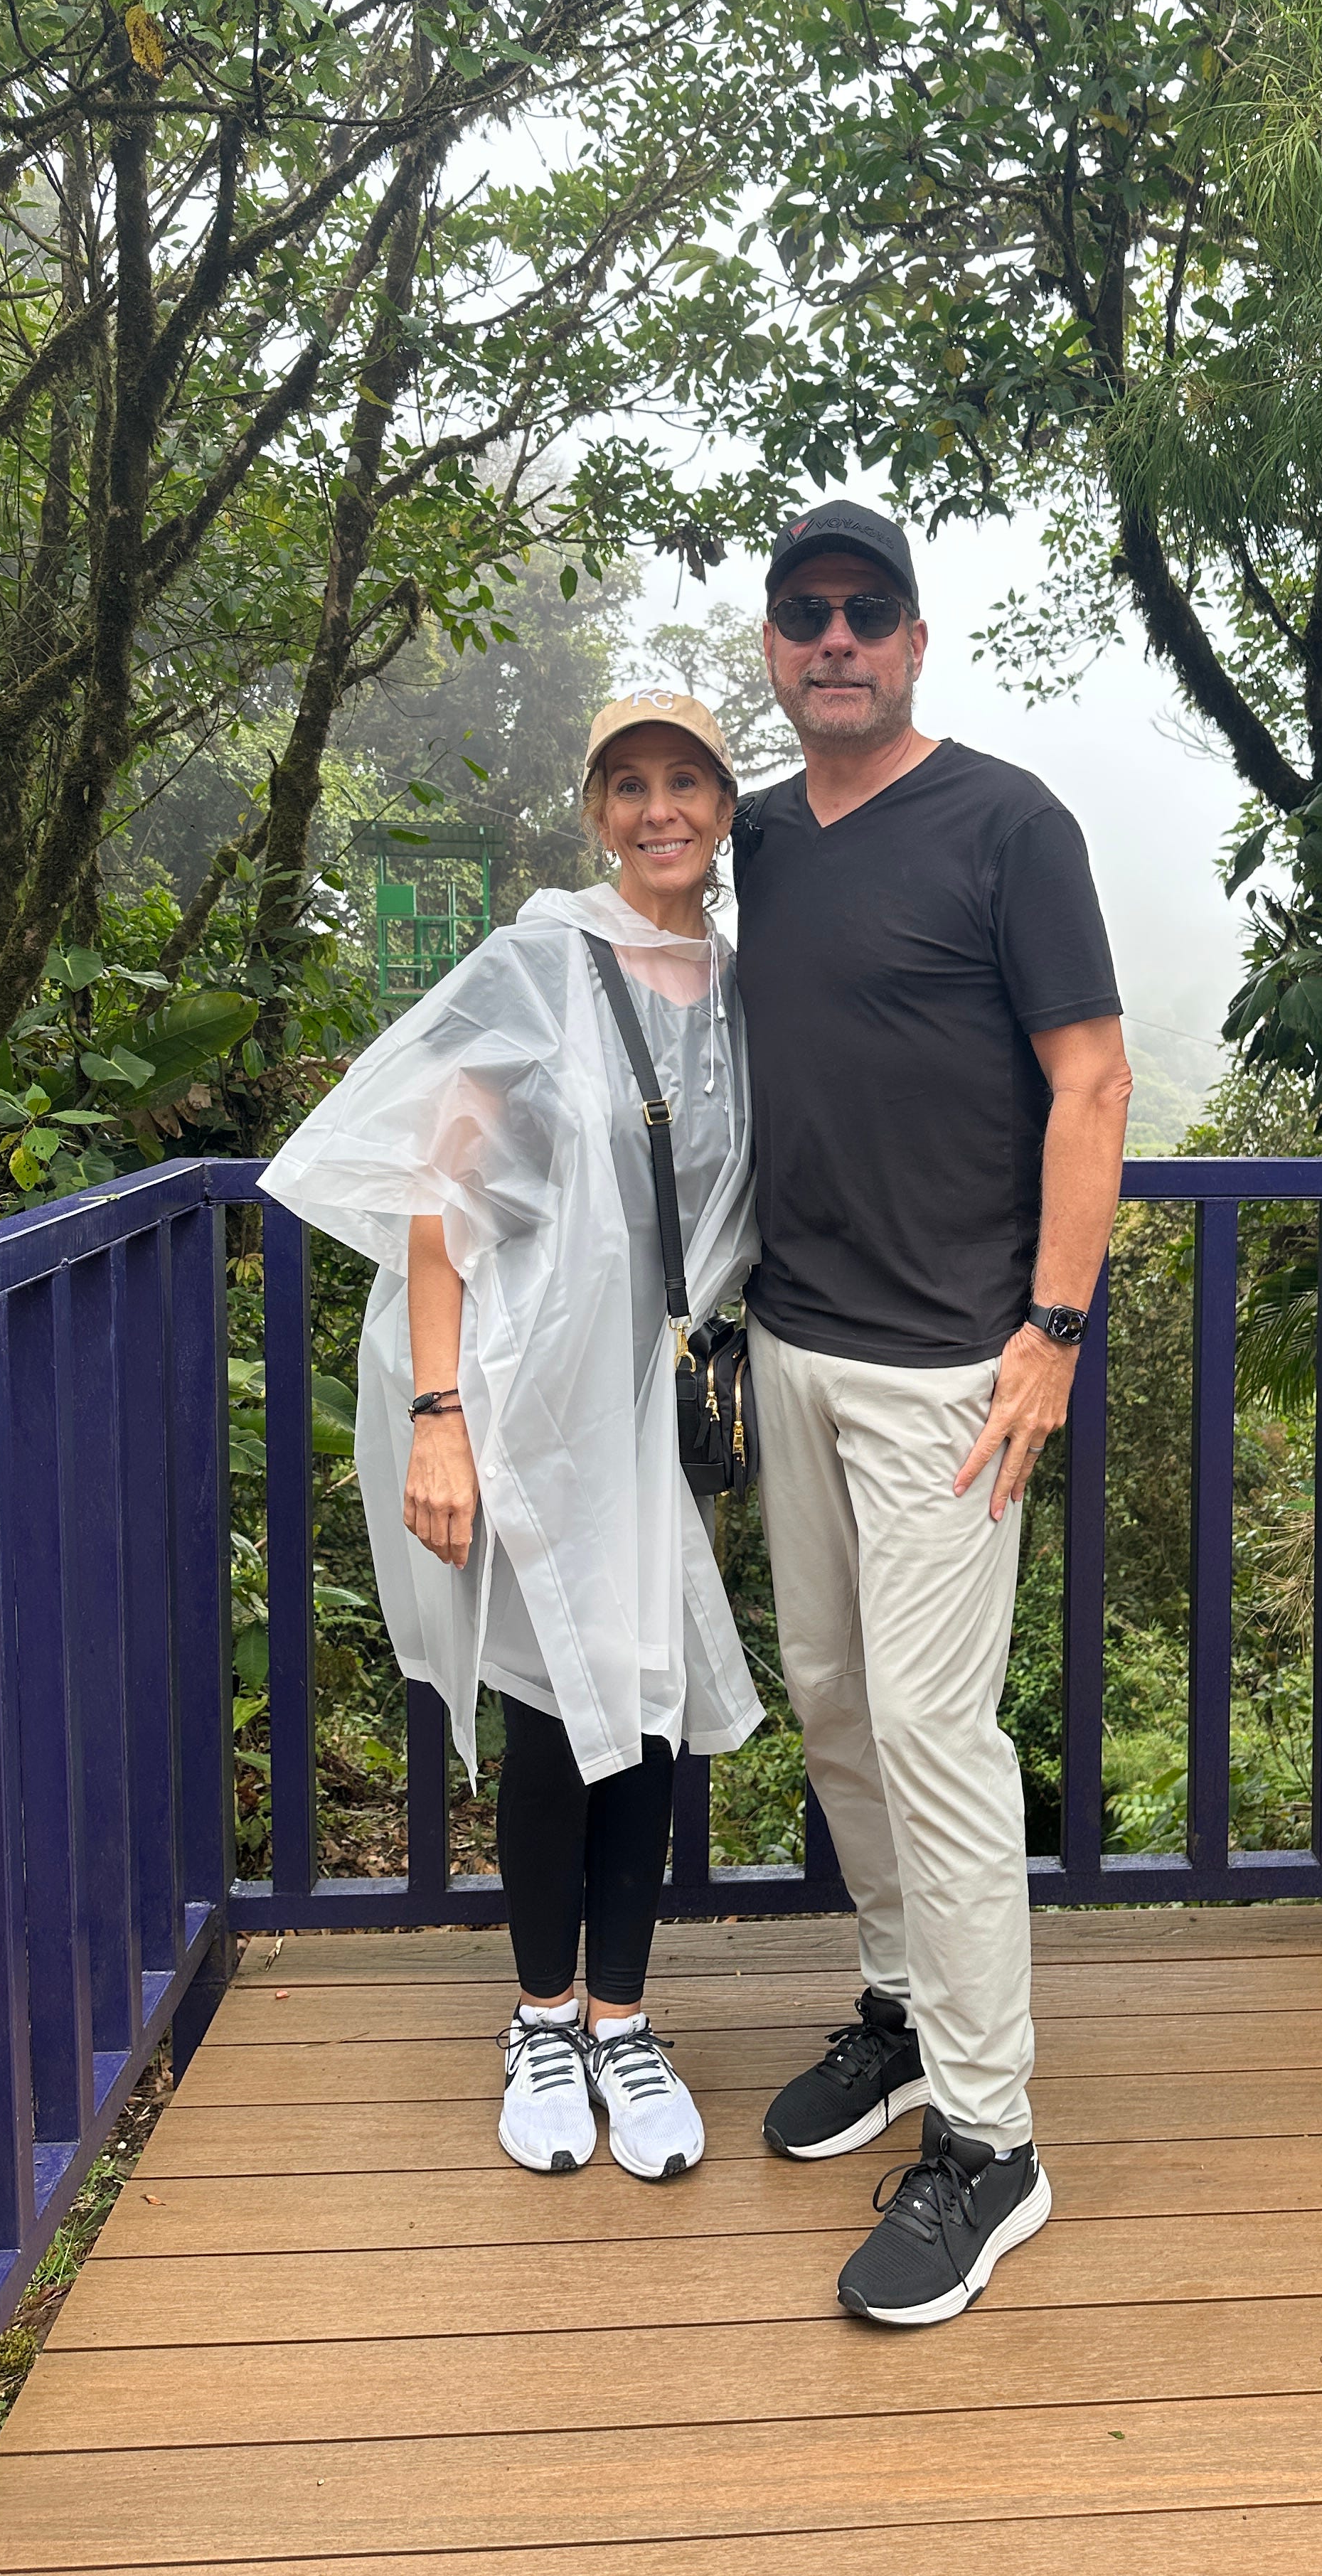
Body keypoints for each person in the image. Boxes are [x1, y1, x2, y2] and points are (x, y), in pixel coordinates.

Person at [261, 693, 761, 2185]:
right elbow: (442, 1199)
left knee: (648, 1706)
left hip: (660, 1401)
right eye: (632, 785)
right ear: (598, 810)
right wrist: (440, 1417)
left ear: (725, 807)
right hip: (531, 1393)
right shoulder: (541, 964)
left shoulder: (742, 989)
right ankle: (544, 2018)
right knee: (552, 1714)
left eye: (688, 782)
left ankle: (625, 2020)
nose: (661, 810)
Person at [732, 499, 1132, 2324]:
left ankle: (990, 2138)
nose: (836, 639)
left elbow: (1091, 1080)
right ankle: (900, 2010)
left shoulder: (1007, 823)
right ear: (775, 644)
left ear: (912, 640)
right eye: (806, 612)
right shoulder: (755, 840)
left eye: (866, 612)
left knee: (936, 1734)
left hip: (955, 1374)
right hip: (793, 1345)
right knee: (833, 1702)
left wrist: (1053, 1329)